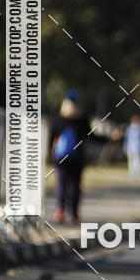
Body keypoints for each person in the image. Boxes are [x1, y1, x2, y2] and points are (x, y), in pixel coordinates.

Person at [50, 90, 90, 224]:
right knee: (74, 186)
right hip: (76, 158)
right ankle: (74, 214)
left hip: (60, 158)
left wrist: (50, 154)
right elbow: (91, 137)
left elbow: (52, 138)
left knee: (61, 184)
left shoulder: (58, 119)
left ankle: (60, 210)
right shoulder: (82, 120)